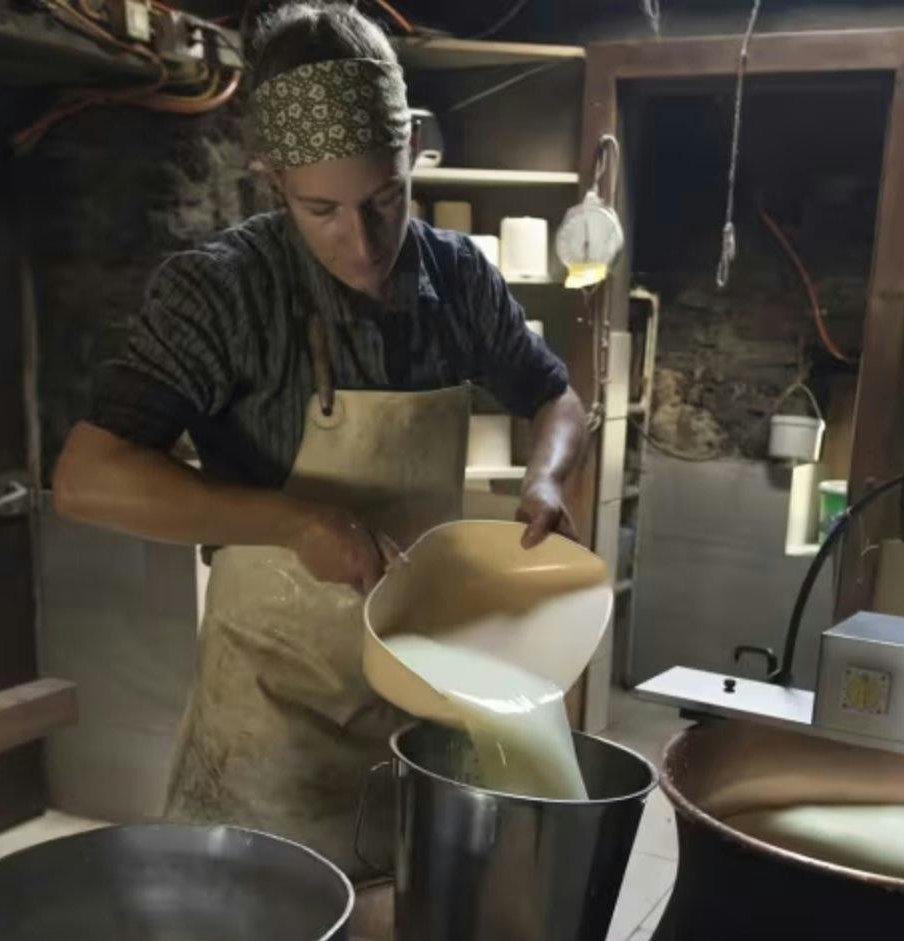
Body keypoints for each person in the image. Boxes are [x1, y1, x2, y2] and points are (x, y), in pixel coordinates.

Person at [52, 0, 590, 875]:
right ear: (273, 180)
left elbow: (557, 397)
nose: (362, 239)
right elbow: (87, 477)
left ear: (414, 151)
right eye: (322, 209)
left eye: (385, 200)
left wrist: (548, 480)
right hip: (276, 717)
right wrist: (292, 523)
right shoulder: (221, 292)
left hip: (424, 687)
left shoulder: (457, 279)